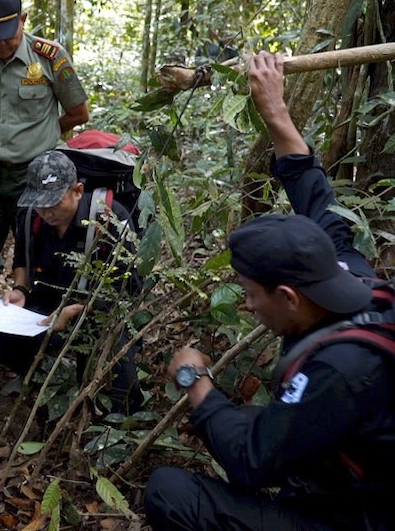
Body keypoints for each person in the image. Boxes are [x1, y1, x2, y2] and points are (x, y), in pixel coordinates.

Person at [143, 52, 395, 530]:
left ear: (289, 296)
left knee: (171, 492)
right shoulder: (351, 273)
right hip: (342, 477)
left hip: (356, 517)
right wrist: (273, 110)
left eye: (251, 294)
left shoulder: (338, 373)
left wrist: (194, 381)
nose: (248, 305)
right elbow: (315, 196)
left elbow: (251, 459)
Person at [0, 0, 90, 302]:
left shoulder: (50, 57)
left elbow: (78, 111)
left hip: (35, 173)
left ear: (24, 20)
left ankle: (36, 316)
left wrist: (45, 131)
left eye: (7, 35)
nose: (0, 44)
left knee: (37, 246)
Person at [0, 150, 144, 414]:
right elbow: (22, 259)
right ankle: (44, 372)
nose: (46, 212)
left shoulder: (109, 216)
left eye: (55, 203)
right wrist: (20, 290)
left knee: (118, 383)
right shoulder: (29, 217)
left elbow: (129, 289)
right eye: (39, 204)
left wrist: (74, 312)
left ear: (78, 191)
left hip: (98, 312)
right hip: (46, 304)